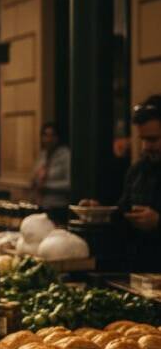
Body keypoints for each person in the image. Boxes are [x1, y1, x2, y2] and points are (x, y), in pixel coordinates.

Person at [83, 95, 161, 271]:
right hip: (138, 270)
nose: (145, 147)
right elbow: (122, 213)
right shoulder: (138, 170)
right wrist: (101, 212)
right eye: (142, 139)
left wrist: (158, 222)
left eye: (152, 139)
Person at [31, 122, 71, 220]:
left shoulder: (65, 155)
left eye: (52, 135)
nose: (48, 139)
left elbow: (70, 183)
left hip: (58, 206)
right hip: (41, 205)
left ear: (57, 137)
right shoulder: (43, 154)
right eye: (45, 135)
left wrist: (46, 186)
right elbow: (34, 177)